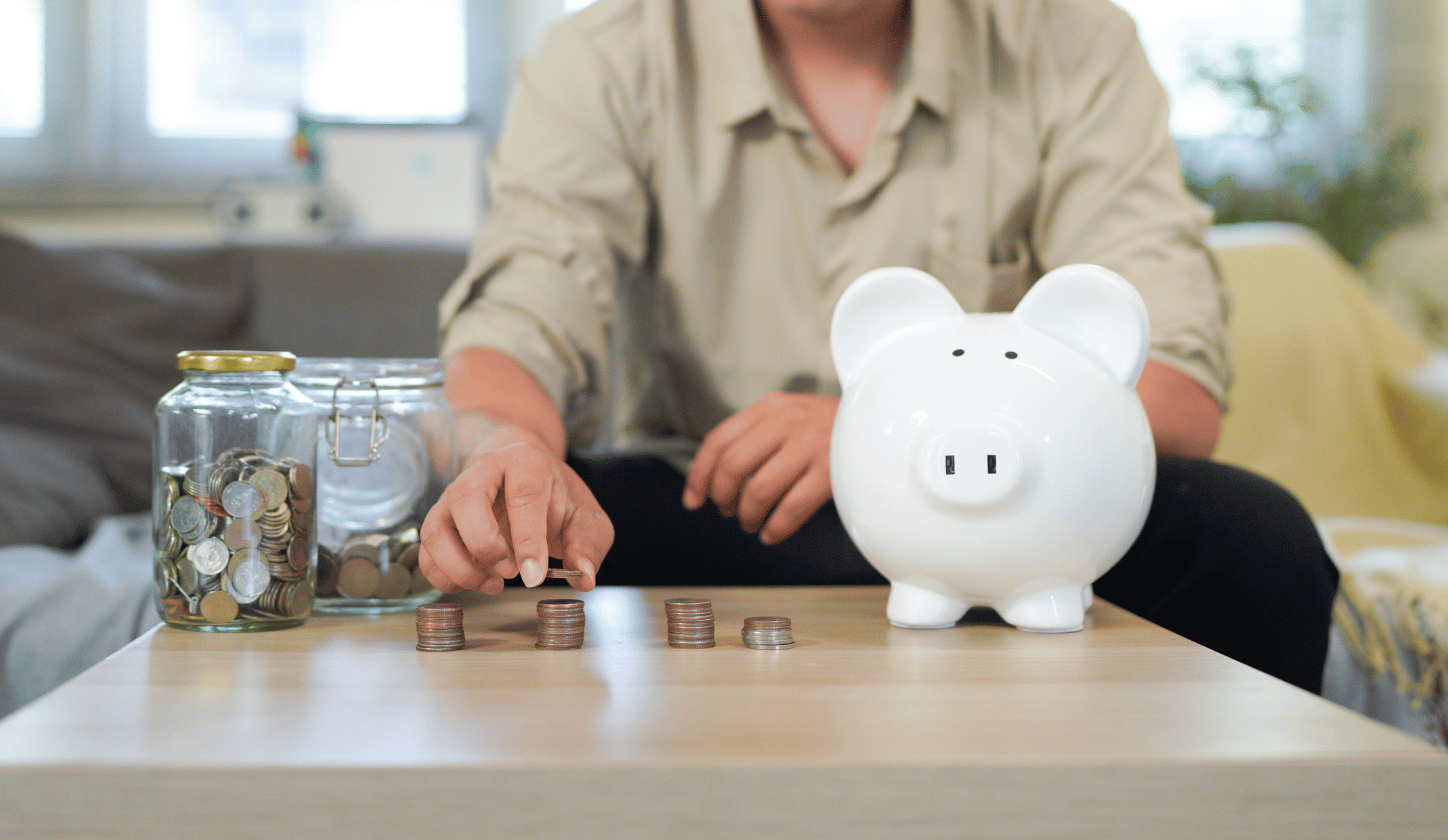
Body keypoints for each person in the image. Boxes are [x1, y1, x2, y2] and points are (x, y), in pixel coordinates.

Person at [421, 0, 1339, 692]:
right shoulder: (606, 53)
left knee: (1253, 541)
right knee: (523, 548)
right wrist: (507, 454)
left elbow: (1177, 386)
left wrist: (880, 431)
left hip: (1017, 518)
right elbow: (519, 327)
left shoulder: (1071, 38)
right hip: (721, 505)